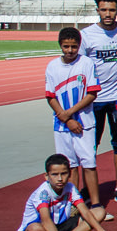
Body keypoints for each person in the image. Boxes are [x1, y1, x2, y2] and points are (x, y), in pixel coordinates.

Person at [80, 0, 117, 206]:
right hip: (94, 100)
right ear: (97, 10)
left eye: (112, 10)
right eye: (104, 10)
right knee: (89, 146)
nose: (108, 14)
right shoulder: (86, 35)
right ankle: (88, 188)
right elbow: (80, 66)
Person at [45, 27, 101, 205]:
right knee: (70, 165)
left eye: (74, 47)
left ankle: (96, 203)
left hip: (84, 123)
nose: (70, 51)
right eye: (66, 46)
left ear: (79, 46)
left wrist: (69, 114)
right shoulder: (53, 66)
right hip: (62, 126)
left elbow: (92, 94)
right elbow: (50, 96)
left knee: (89, 164)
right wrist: (67, 120)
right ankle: (74, 205)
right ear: (60, 45)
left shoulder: (86, 63)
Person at [18, 153, 114, 231]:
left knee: (100, 212)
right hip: (43, 228)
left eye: (64, 174)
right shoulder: (43, 193)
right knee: (34, 230)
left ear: (69, 174)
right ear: (46, 176)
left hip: (62, 225)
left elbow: (85, 211)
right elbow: (46, 221)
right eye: (55, 174)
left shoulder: (70, 187)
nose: (60, 178)